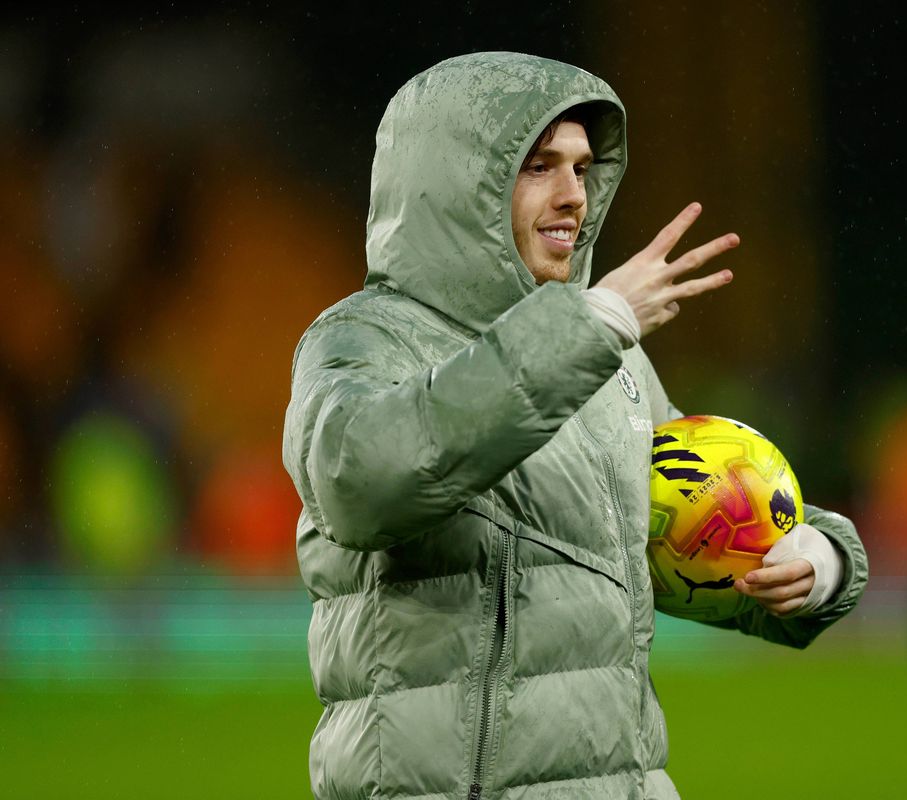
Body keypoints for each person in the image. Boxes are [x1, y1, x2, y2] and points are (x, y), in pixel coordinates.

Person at [283, 52, 868, 800]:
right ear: (456, 181)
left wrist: (815, 561)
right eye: (537, 167)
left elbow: (701, 521)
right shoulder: (363, 340)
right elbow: (360, 486)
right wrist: (588, 329)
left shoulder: (605, 356)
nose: (574, 198)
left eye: (583, 169)